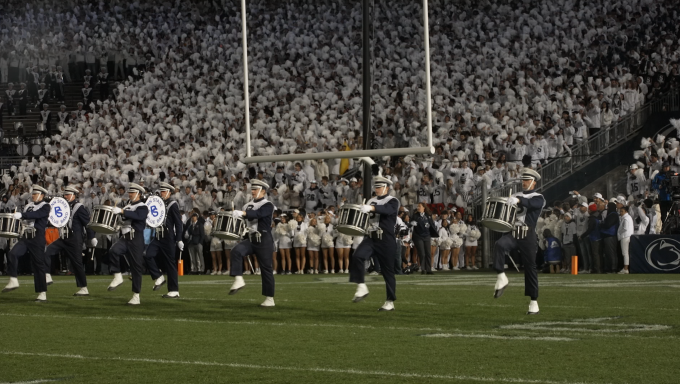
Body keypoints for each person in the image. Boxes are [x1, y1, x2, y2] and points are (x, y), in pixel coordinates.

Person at [493, 168, 546, 315]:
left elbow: (531, 204)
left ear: (533, 183)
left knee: (530, 267)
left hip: (528, 234)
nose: (524, 182)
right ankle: (501, 276)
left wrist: (518, 200)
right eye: (523, 180)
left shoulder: (539, 197)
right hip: (514, 232)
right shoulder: (515, 195)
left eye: (527, 180)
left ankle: (534, 301)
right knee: (499, 244)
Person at [350, 176, 400, 311]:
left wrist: (370, 208)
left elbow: (387, 210)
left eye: (379, 187)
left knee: (387, 271)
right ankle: (361, 286)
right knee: (357, 256)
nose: (376, 189)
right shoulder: (371, 200)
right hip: (371, 237)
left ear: (386, 188)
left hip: (386, 239)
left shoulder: (393, 200)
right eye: (376, 187)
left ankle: (390, 301)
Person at [228, 180, 276, 307]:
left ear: (263, 191)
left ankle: (269, 298)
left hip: (264, 238)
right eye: (252, 189)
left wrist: (242, 213)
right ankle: (239, 279)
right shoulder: (247, 205)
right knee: (236, 251)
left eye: (256, 189)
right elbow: (245, 221)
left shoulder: (268, 204)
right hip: (250, 238)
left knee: (266, 269)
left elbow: (258, 214)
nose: (253, 191)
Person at [43, 186, 96, 296]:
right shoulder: (63, 206)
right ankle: (47, 275)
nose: (65, 196)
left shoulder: (79, 207)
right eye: (65, 194)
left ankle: (84, 288)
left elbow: (88, 223)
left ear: (73, 195)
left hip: (74, 239)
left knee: (77, 263)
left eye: (68, 194)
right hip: (63, 238)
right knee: (47, 251)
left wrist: (92, 237)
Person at [2, 185, 51, 302]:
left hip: (37, 237)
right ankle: (13, 279)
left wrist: (22, 215)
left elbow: (37, 215)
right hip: (26, 236)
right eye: (33, 193)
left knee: (38, 265)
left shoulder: (46, 206)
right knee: (13, 253)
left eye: (35, 194)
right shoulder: (28, 206)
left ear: (42, 195)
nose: (33, 195)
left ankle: (42, 293)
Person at [106, 183, 149, 305]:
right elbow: (124, 220)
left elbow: (139, 216)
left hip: (136, 238)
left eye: (133, 192)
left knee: (136, 267)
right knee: (113, 251)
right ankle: (118, 276)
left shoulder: (142, 206)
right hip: (126, 237)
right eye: (130, 192)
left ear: (139, 194)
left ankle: (136, 295)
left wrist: (121, 211)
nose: (130, 194)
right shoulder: (128, 206)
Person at [144, 182, 184, 298]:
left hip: (168, 237)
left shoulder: (173, 204)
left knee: (170, 263)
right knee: (147, 254)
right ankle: (159, 277)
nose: (162, 193)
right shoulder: (158, 203)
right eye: (161, 191)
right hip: (157, 236)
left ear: (169, 193)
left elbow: (178, 223)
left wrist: (179, 239)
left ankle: (174, 290)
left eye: (164, 191)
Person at [410, 202, 437, 274]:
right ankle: (423, 268)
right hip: (418, 236)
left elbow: (432, 224)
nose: (418, 207)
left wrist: (433, 233)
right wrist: (411, 223)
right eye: (418, 206)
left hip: (427, 236)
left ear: (423, 208)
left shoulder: (428, 216)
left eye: (419, 206)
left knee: (428, 253)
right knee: (422, 253)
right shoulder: (415, 215)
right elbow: (410, 223)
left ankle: (429, 269)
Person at [617, 205, 634, 274]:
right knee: (625, 253)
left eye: (622, 211)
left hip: (625, 236)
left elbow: (625, 228)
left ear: (626, 211)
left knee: (625, 253)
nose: (621, 213)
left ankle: (625, 268)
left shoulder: (626, 218)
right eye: (620, 211)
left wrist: (619, 232)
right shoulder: (626, 217)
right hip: (626, 236)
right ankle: (625, 268)